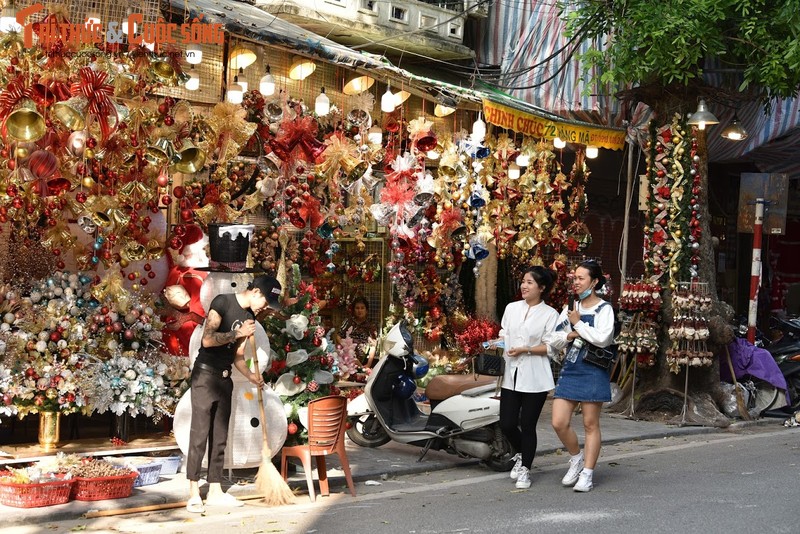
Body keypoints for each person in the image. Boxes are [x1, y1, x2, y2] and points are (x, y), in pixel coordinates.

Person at [186, 275, 282, 513]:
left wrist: (251, 377)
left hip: (226, 377)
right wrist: (236, 334)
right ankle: (193, 492)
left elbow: (238, 357)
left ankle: (216, 489)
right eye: (266, 301)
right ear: (256, 291)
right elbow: (207, 340)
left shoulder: (250, 317)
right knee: (199, 433)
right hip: (205, 376)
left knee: (220, 436)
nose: (265, 308)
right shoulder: (222, 302)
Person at [544, 260, 615, 493]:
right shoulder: (570, 307)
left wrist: (578, 326)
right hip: (571, 367)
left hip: (593, 369)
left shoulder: (604, 309)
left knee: (590, 423)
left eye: (581, 278)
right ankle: (576, 458)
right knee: (559, 422)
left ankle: (587, 473)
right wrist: (569, 335)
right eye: (574, 278)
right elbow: (553, 337)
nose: (576, 282)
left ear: (594, 282)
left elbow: (603, 338)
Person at [497, 266, 559, 490]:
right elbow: (504, 332)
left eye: (530, 282)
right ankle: (522, 455)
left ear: (541, 288)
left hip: (536, 376)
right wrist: (498, 343)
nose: (524, 286)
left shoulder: (550, 314)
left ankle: (526, 470)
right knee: (507, 423)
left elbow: (552, 347)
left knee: (528, 424)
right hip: (511, 375)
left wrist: (526, 350)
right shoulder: (511, 308)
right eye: (523, 281)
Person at [336, 296, 378, 368]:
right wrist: (346, 348)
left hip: (362, 361)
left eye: (362, 308)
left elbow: (373, 345)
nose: (360, 310)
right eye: (357, 308)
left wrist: (368, 364)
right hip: (346, 359)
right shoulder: (348, 322)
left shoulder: (371, 325)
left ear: (366, 310)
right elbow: (338, 336)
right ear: (353, 310)